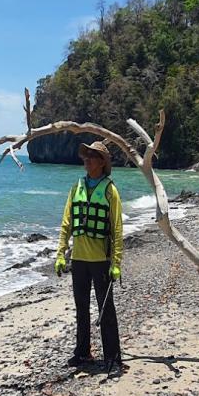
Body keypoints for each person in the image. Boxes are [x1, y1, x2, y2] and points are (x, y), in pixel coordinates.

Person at [54, 140, 125, 376]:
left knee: (106, 310)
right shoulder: (77, 187)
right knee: (81, 307)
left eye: (92, 157)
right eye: (86, 156)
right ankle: (82, 351)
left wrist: (116, 263)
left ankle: (113, 357)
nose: (87, 160)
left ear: (102, 163)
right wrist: (61, 253)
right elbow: (67, 222)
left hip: (101, 260)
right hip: (80, 259)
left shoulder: (109, 190)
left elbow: (116, 229)